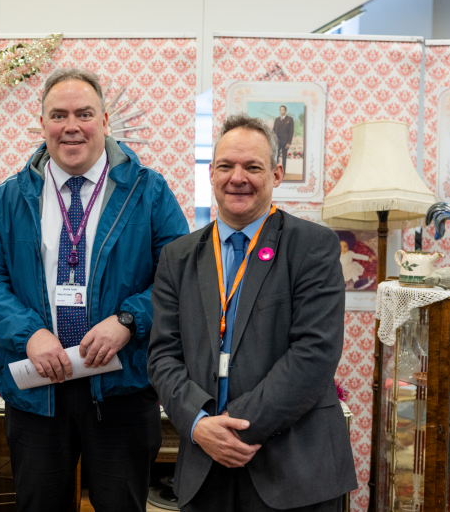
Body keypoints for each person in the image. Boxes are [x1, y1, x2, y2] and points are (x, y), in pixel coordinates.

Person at [0, 68, 189, 512]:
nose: (72, 126)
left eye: (84, 114)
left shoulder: (149, 192)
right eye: (59, 115)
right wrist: (29, 334)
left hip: (120, 386)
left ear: (105, 122)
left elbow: (177, 276)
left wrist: (128, 321)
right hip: (37, 388)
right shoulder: (9, 197)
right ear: (42, 124)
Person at [148, 113, 356, 511]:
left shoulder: (313, 247)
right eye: (226, 166)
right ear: (211, 173)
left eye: (252, 167)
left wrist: (233, 428)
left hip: (293, 471)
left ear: (277, 174)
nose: (237, 177)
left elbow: (315, 352)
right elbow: (162, 355)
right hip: (205, 470)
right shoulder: (178, 257)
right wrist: (199, 424)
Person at [271, 105, 294, 173]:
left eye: (283, 110)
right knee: (276, 157)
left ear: (285, 111)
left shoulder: (289, 119)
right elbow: (274, 131)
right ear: (279, 111)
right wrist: (273, 141)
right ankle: (275, 172)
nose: (282, 111)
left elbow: (291, 132)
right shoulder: (277, 119)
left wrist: (289, 142)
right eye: (280, 110)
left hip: (285, 142)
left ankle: (283, 172)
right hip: (277, 142)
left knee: (284, 158)